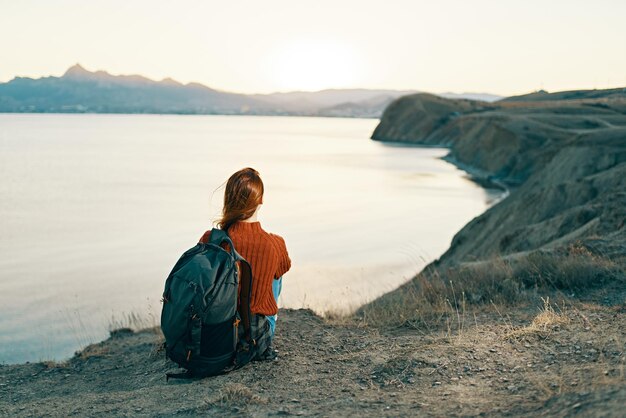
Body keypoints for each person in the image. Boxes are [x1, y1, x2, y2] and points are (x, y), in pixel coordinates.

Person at [198, 167, 291, 360]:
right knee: (275, 270)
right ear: (261, 200)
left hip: (213, 338)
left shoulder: (210, 240)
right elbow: (284, 267)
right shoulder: (275, 244)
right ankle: (261, 321)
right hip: (254, 338)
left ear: (228, 200)